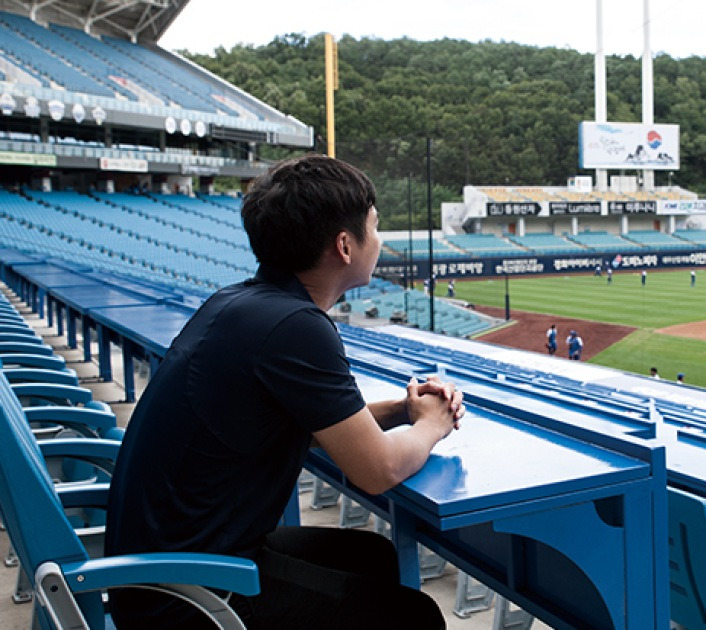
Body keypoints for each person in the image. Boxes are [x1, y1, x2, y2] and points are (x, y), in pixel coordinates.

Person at [105, 155, 463, 629]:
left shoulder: (241, 302)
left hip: (170, 563)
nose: (378, 240)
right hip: (185, 594)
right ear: (344, 245)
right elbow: (378, 470)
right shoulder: (295, 327)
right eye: (374, 228)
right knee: (410, 616)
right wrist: (433, 425)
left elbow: (302, 426)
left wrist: (401, 410)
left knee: (372, 556)